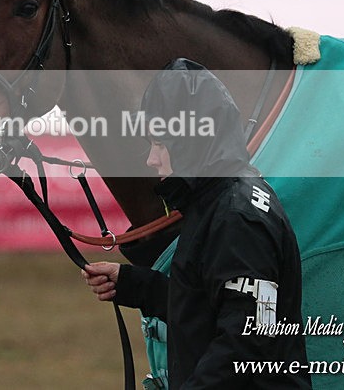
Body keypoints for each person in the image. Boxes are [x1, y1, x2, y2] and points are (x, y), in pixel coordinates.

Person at [82, 59, 311, 389]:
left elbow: (246, 341)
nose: (151, 159)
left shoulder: (236, 215)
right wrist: (134, 285)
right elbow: (213, 306)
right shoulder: (219, 199)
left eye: (159, 144)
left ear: (189, 140)